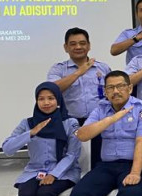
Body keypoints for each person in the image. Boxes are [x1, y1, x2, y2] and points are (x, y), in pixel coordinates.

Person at [3, 82, 81, 196]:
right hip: (34, 170)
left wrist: (54, 174)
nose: (46, 103)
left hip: (63, 171)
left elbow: (72, 154)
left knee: (45, 194)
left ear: (58, 100)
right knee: (26, 195)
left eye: (51, 98)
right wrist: (30, 133)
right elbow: (7, 148)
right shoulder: (27, 123)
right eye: (41, 99)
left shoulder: (70, 123)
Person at [48, 27, 111, 168]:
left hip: (98, 121)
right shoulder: (58, 69)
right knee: (72, 162)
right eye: (73, 44)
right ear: (66, 47)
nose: (78, 47)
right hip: (71, 122)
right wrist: (79, 72)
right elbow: (52, 89)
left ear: (89, 46)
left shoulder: (103, 68)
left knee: (99, 163)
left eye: (82, 43)